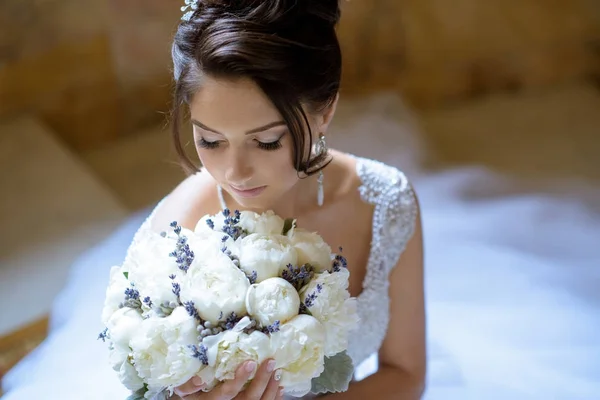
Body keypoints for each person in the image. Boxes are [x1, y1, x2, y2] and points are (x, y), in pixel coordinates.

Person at [144, 1, 426, 398]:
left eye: (266, 141)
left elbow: (407, 373)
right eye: (210, 140)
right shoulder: (180, 233)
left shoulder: (383, 202)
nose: (234, 172)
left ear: (325, 111)